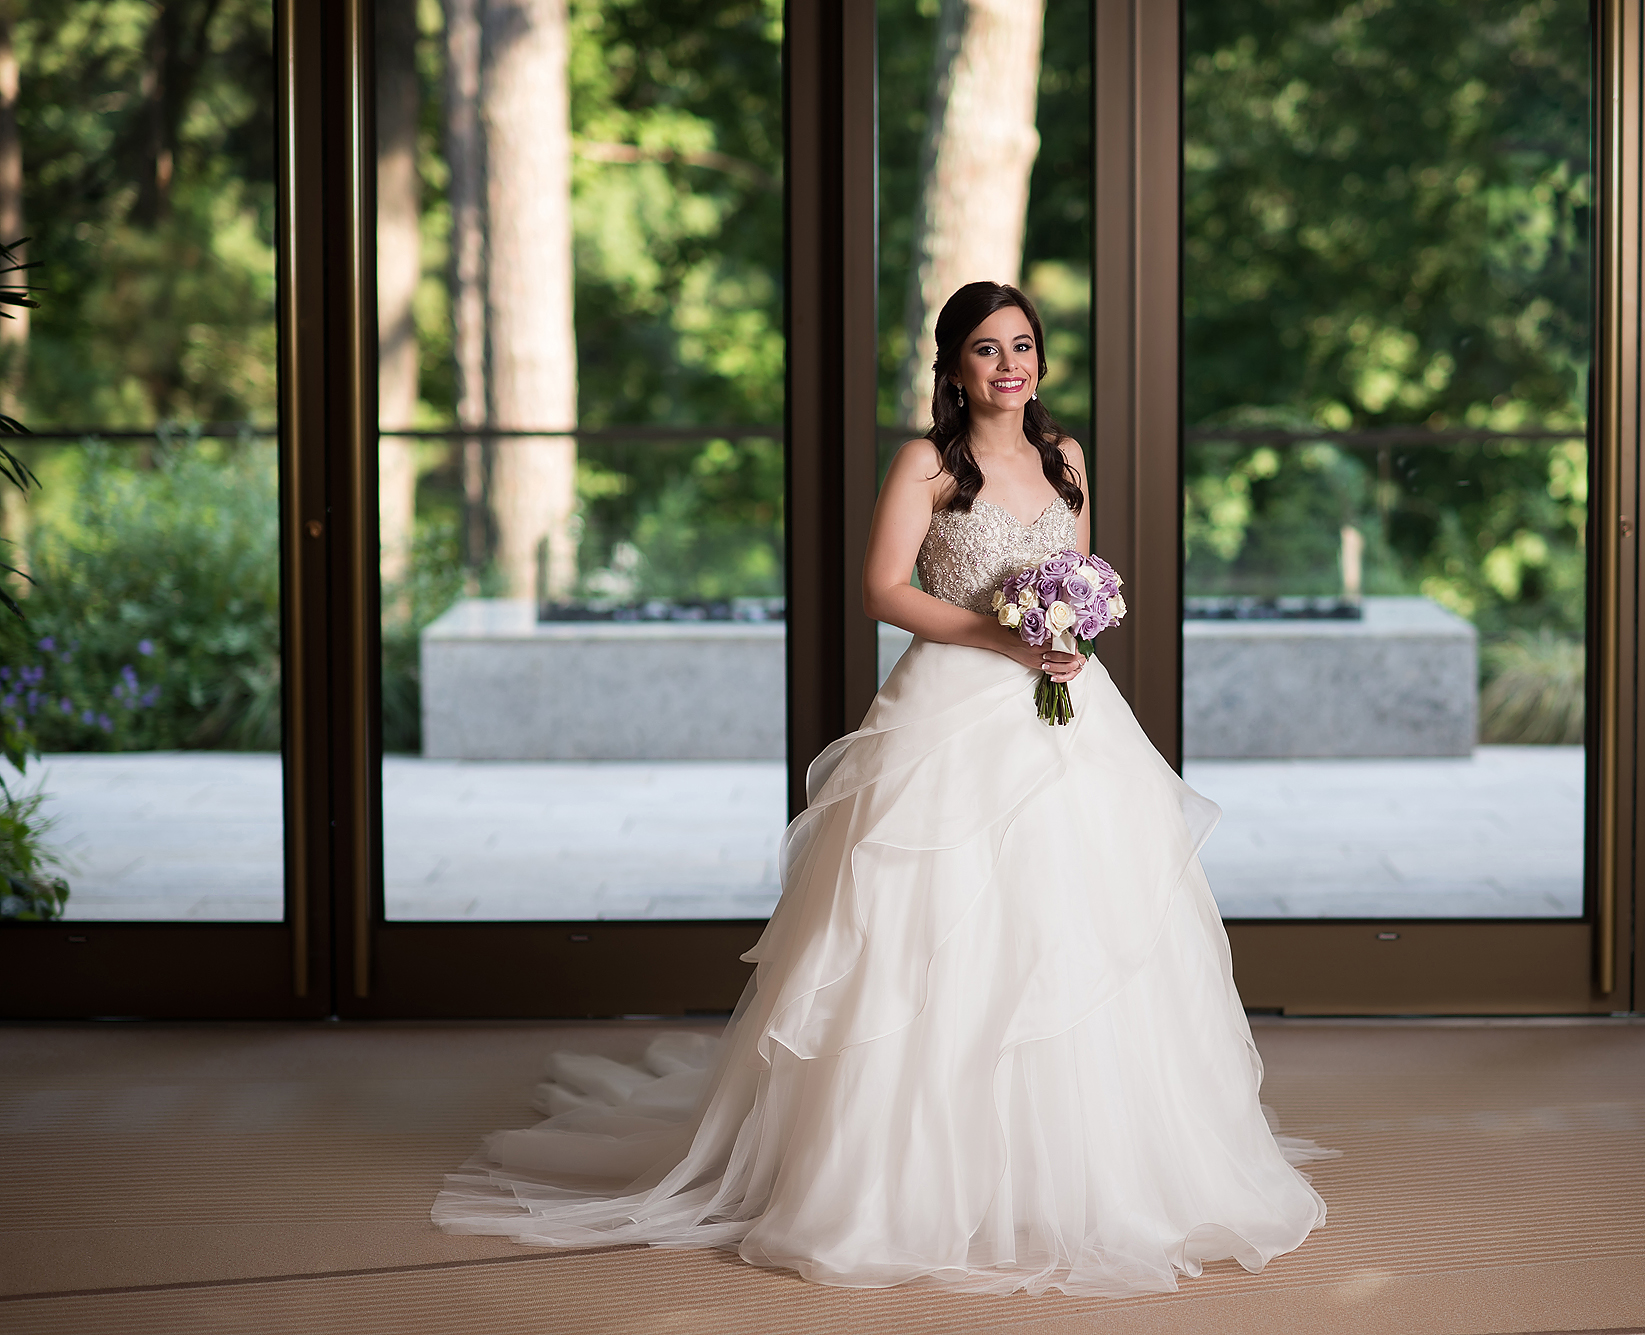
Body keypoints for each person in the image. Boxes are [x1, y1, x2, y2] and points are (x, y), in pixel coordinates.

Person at [431, 281, 1331, 1295]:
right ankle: (900, 1179)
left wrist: (1065, 633)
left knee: (1079, 922)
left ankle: (1081, 1166)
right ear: (952, 366)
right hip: (951, 699)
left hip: (1065, 707)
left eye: (1023, 346)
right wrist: (1000, 632)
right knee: (925, 927)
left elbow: (1079, 572)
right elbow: (882, 589)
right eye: (986, 350)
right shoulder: (925, 463)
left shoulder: (1066, 458)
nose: (1009, 366)